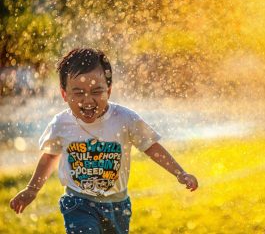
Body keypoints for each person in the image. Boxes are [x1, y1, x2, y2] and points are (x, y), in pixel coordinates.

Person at [9, 48, 198, 233]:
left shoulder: (125, 119)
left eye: (96, 91)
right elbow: (50, 156)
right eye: (79, 93)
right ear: (64, 94)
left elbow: (151, 147)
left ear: (109, 90)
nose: (88, 100)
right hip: (78, 203)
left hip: (118, 205)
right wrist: (32, 189)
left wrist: (180, 173)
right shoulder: (61, 124)